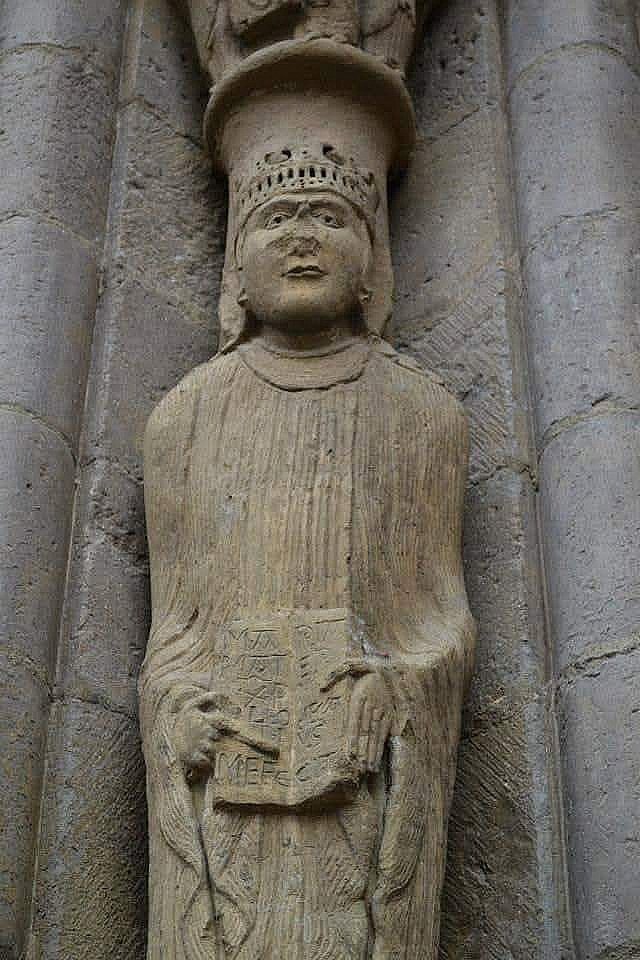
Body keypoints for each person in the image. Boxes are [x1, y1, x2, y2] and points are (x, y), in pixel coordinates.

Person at [139, 149, 475, 960]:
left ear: (371, 268)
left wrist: (396, 690)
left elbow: (444, 618)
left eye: (330, 218)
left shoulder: (424, 414)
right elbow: (172, 636)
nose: (302, 237)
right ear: (238, 275)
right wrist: (176, 718)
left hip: (360, 792)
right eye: (274, 219)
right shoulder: (183, 418)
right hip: (229, 796)